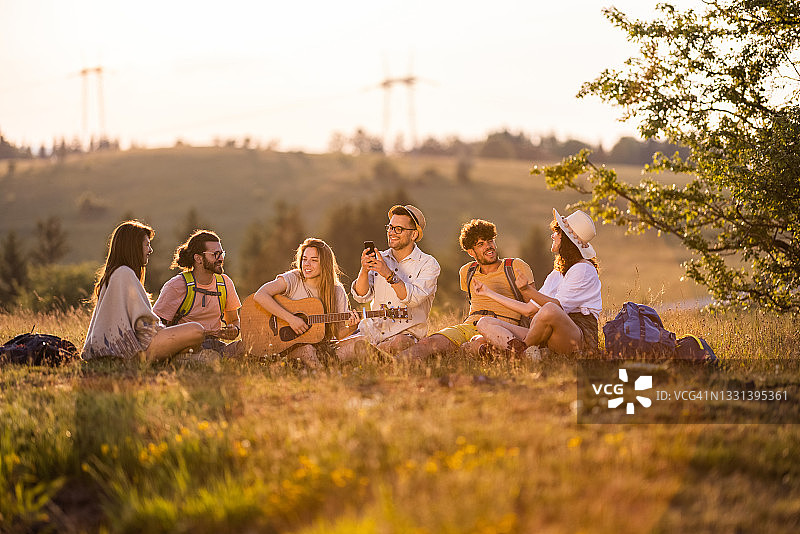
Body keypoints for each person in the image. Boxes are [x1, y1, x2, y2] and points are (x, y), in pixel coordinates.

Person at [397, 218, 535, 360]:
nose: (489, 247)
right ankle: (394, 364)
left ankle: (486, 352)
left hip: (500, 328)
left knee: (475, 345)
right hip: (469, 326)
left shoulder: (514, 266)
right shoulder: (467, 271)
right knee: (428, 343)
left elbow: (533, 308)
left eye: (490, 241)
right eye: (481, 244)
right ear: (471, 252)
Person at [474, 208, 602, 356]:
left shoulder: (583, 269)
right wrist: (488, 292)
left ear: (567, 240)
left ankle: (519, 352)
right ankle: (527, 354)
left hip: (578, 338)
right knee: (484, 322)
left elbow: (557, 308)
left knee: (550, 309)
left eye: (558, 232)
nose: (553, 235)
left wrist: (527, 290)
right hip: (546, 333)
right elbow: (528, 309)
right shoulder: (557, 273)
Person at [82, 221, 204, 361]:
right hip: (133, 350)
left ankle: (178, 358)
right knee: (196, 330)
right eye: (147, 245)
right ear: (133, 247)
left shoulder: (116, 274)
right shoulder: (124, 273)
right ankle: (177, 358)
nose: (150, 250)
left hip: (119, 349)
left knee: (189, 334)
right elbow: (144, 327)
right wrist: (166, 332)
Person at [336, 204, 441, 361]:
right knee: (333, 350)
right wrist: (364, 270)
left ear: (413, 234)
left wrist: (387, 273)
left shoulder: (428, 264)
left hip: (404, 335)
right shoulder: (381, 257)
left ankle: (365, 353)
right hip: (371, 331)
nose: (391, 233)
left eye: (398, 229)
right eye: (390, 227)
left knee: (400, 343)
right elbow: (361, 296)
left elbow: (413, 299)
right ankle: (368, 353)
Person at [253, 238, 358, 368]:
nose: (307, 264)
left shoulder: (337, 291)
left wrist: (352, 327)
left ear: (325, 263)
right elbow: (260, 295)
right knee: (307, 350)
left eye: (314, 260)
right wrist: (291, 319)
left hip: (321, 346)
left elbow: (339, 333)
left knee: (361, 342)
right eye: (304, 259)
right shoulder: (293, 278)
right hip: (287, 346)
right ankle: (323, 372)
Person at [153, 230, 242, 357]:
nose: (221, 258)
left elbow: (234, 320)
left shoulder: (225, 283)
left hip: (217, 344)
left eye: (222, 253)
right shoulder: (177, 285)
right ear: (198, 258)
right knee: (209, 359)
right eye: (215, 254)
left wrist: (235, 330)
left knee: (250, 348)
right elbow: (156, 327)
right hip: (187, 347)